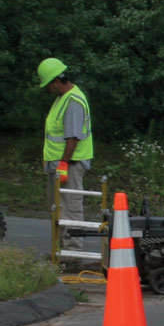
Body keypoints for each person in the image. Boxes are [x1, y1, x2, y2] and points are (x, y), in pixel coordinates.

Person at [37, 58, 93, 252]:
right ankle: (61, 252)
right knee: (58, 208)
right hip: (61, 164)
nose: (48, 89)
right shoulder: (63, 99)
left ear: (56, 81)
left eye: (49, 85)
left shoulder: (73, 101)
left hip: (71, 164)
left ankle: (73, 252)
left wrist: (63, 164)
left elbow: (72, 138)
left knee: (70, 208)